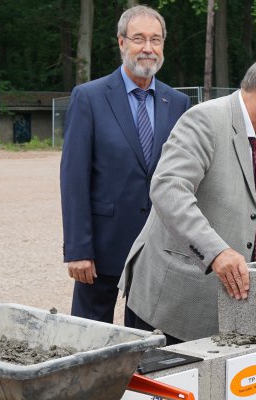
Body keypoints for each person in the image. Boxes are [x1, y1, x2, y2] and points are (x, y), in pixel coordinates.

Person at [120, 49, 256, 343]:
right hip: (171, 305)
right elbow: (169, 189)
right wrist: (217, 252)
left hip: (220, 306)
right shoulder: (205, 120)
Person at [60, 5, 190, 324]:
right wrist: (78, 249)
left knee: (148, 348)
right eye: (139, 38)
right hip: (101, 249)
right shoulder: (89, 98)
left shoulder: (177, 103)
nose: (148, 47)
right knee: (90, 345)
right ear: (121, 43)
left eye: (156, 39)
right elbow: (74, 179)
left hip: (157, 250)